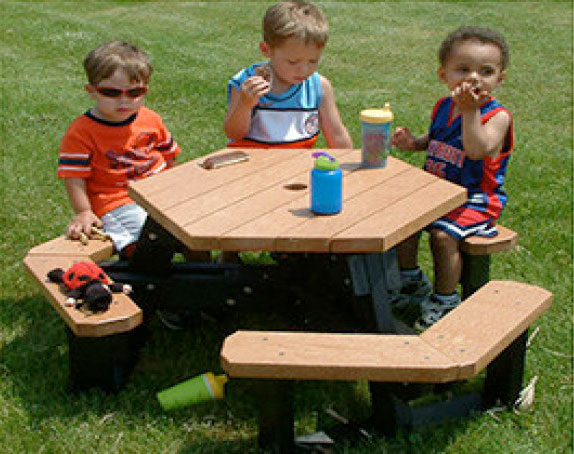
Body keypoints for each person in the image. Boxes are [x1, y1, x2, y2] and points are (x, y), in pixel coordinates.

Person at [390, 26, 513, 330]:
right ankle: (411, 280)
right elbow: (437, 138)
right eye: (463, 69)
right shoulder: (444, 106)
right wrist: (414, 142)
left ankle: (445, 299)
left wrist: (470, 112)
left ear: (500, 79)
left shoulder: (496, 117)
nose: (474, 78)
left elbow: (475, 150)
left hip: (475, 199)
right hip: (437, 192)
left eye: (486, 71)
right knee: (402, 221)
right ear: (443, 75)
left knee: (443, 236)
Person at [58, 40, 190, 259]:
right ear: (91, 91)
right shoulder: (81, 132)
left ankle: (207, 277)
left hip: (159, 192)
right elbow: (74, 177)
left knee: (194, 225)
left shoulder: (150, 118)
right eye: (111, 92)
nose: (124, 100)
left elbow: (170, 157)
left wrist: (176, 190)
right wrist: (83, 212)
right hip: (117, 200)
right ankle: (145, 278)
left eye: (134, 92)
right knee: (146, 240)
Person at [223, 0, 353, 150]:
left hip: (295, 166)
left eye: (312, 61)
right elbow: (234, 133)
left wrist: (351, 164)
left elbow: (337, 134)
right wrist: (245, 105)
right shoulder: (246, 84)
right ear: (266, 50)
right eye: (292, 62)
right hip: (250, 166)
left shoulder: (318, 87)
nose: (303, 70)